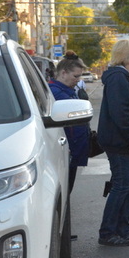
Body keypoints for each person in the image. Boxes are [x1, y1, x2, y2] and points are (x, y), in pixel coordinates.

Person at [97, 39, 129, 247]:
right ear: (125, 56)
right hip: (120, 142)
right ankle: (108, 232)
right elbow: (121, 113)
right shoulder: (118, 77)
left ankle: (122, 230)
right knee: (122, 185)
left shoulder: (123, 76)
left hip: (124, 141)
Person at [48, 50, 88, 194]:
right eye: (75, 76)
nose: (78, 80)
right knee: (65, 190)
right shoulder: (56, 92)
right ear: (63, 73)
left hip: (71, 148)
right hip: (67, 148)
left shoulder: (67, 90)